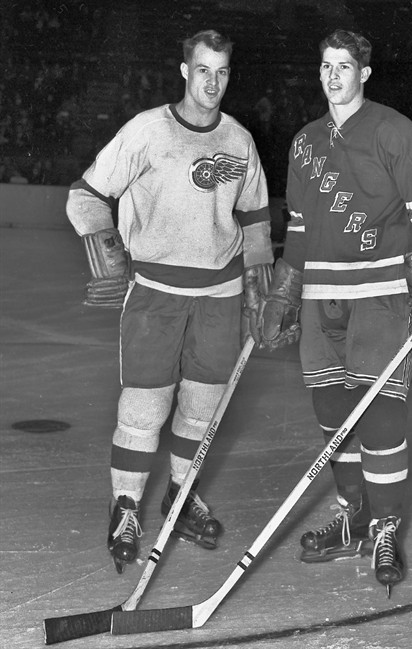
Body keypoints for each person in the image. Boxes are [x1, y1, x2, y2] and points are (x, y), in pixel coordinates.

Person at [258, 30, 412, 596]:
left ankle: (387, 525)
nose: (333, 76)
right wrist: (282, 295)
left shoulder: (395, 131)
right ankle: (353, 514)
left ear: (364, 73)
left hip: (383, 294)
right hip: (323, 295)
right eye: (325, 66)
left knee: (379, 416)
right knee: (330, 412)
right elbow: (297, 229)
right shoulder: (302, 144)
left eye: (344, 66)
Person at [66, 30, 274, 573]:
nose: (212, 82)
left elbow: (254, 219)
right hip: (155, 293)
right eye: (202, 70)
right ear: (184, 71)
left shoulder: (239, 140)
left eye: (222, 72)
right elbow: (87, 194)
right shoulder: (147, 131)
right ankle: (126, 507)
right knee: (144, 409)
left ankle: (181, 499)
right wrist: (105, 243)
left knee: (202, 409)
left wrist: (259, 284)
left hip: (221, 295)